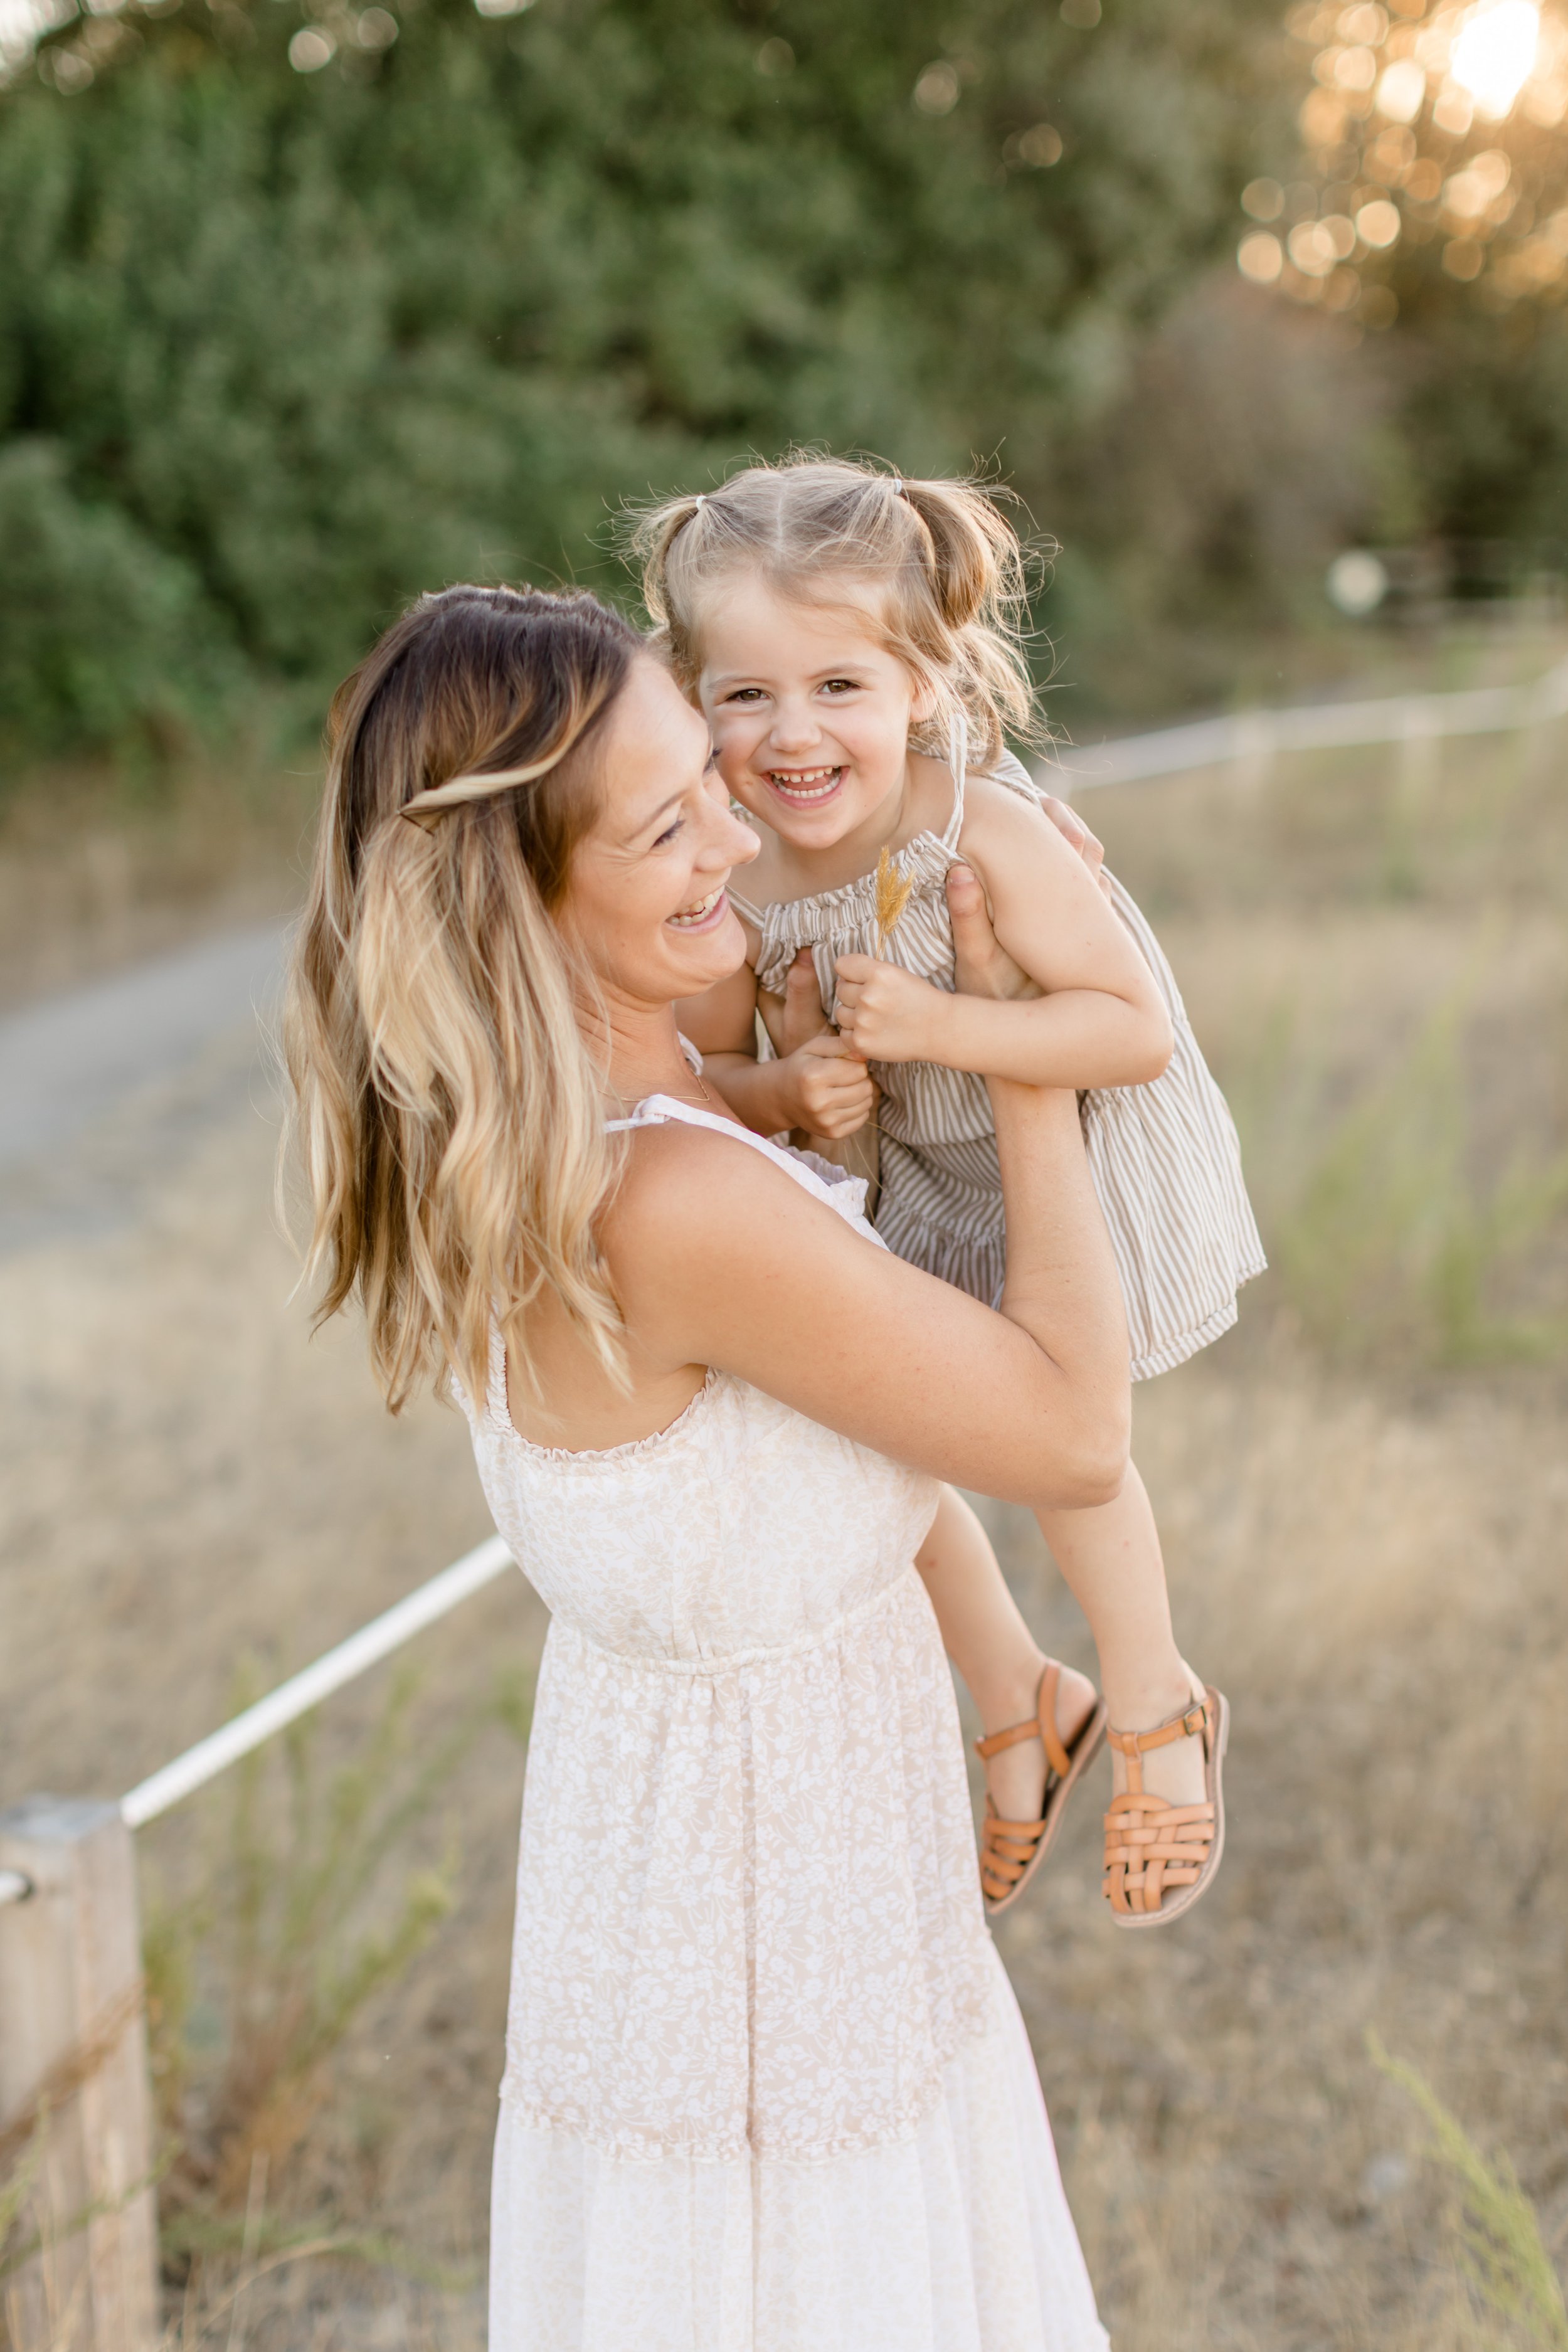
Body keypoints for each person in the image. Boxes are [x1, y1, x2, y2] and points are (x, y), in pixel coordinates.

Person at [285, 581, 1136, 2349]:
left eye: (714, 789)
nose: (732, 840)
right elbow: (1069, 1424)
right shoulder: (669, 1203)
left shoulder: (527, 1133)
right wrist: (1013, 1040)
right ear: (522, 892)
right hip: (764, 1923)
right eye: (667, 823)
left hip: (700, 1856)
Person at [631, 455, 1256, 1923]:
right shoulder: (732, 865)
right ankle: (1013, 1695)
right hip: (902, 1174)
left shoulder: (985, 833)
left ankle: (1158, 1706)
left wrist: (942, 1029)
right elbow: (706, 1070)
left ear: (922, 681)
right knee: (863, 1430)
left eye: (838, 685)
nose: (791, 736)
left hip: (1065, 1172)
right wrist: (785, 1095)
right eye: (743, 696)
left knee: (1066, 1456)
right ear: (687, 699)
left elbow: (1128, 1029)